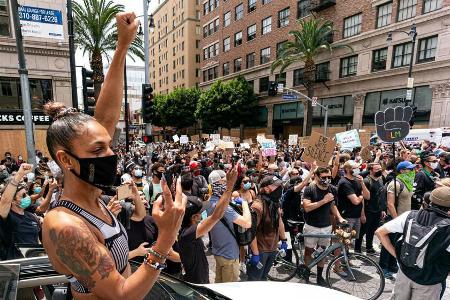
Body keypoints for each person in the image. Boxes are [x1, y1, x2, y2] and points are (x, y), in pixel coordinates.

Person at [41, 13, 186, 299]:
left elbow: (106, 118)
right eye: (98, 150)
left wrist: (122, 46)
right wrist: (166, 238)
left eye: (108, 146)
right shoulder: (64, 225)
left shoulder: (93, 197)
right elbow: (120, 294)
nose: (110, 155)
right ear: (66, 160)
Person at [376, 186, 450, 300]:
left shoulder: (410, 215)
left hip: (404, 273)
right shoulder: (447, 227)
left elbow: (380, 232)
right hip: (429, 281)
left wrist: (397, 256)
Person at [178, 166, 238, 284]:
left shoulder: (186, 230)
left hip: (199, 279)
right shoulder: (189, 233)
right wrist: (229, 186)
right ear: (194, 217)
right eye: (200, 213)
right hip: (196, 284)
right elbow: (217, 215)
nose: (202, 215)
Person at [302, 167, 346, 285]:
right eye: (323, 177)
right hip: (312, 226)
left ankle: (320, 276)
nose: (326, 180)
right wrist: (323, 201)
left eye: (329, 177)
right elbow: (307, 207)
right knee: (309, 252)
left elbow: (333, 205)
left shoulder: (332, 189)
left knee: (323, 252)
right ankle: (306, 272)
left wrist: (340, 217)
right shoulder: (310, 189)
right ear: (316, 176)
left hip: (326, 226)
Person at [207, 169, 252, 283]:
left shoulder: (209, 202)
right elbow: (247, 222)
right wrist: (245, 203)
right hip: (229, 254)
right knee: (229, 287)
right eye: (224, 182)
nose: (227, 185)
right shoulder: (224, 207)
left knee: (219, 285)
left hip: (218, 251)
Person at [247, 176, 288, 281]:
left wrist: (284, 240)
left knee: (264, 278)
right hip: (260, 251)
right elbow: (251, 231)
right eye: (277, 186)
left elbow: (279, 221)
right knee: (255, 280)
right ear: (266, 188)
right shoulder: (258, 206)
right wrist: (255, 254)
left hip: (273, 249)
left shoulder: (274, 202)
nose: (280, 188)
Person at [0, 163, 42, 259]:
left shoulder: (32, 217)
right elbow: (5, 201)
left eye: (26, 194)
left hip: (34, 264)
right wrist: (19, 174)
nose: (27, 197)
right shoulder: (7, 217)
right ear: (13, 200)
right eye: (23, 195)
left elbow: (38, 240)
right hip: (16, 266)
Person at [337, 161, 370, 243]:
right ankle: (339, 255)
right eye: (355, 168)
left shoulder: (358, 180)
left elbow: (367, 196)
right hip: (347, 216)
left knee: (350, 240)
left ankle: (346, 255)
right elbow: (355, 201)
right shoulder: (344, 182)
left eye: (358, 168)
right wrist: (361, 196)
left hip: (357, 216)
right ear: (347, 169)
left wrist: (362, 183)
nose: (358, 170)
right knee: (342, 240)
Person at [356, 163, 384, 254]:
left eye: (380, 168)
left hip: (377, 210)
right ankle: (357, 249)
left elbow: (381, 196)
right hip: (368, 210)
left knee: (372, 230)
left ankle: (369, 247)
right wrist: (362, 214)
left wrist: (382, 209)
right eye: (377, 169)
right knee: (362, 231)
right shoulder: (367, 181)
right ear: (371, 171)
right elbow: (363, 199)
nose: (379, 170)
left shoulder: (380, 180)